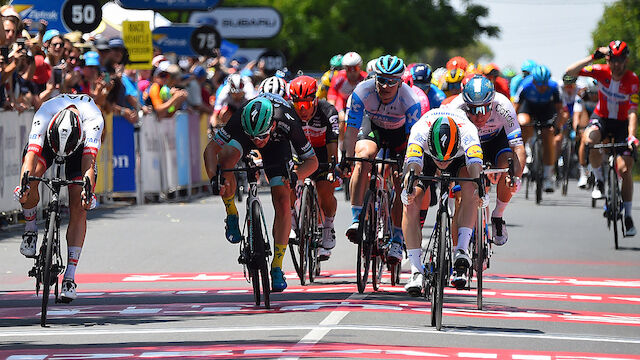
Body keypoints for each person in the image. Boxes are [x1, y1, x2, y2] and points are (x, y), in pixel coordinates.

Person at [203, 94, 318, 291]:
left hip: (278, 146)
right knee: (226, 160)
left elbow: (312, 162)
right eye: (253, 137)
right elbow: (210, 150)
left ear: (272, 125)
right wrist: (215, 179)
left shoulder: (287, 120)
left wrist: (295, 175)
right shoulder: (241, 117)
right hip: (243, 137)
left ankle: (277, 266)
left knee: (282, 199)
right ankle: (231, 213)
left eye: (261, 136)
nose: (257, 142)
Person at [15, 93, 104, 301]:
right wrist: (24, 186)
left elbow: (89, 163)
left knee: (79, 205)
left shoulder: (93, 121)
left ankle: (70, 277)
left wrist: (87, 192)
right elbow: (30, 158)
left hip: (79, 151)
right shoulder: (44, 114)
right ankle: (30, 230)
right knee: (31, 180)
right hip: (48, 142)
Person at [343, 54, 422, 263]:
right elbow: (351, 130)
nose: (385, 86)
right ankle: (357, 217)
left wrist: (409, 169)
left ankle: (397, 238)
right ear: (374, 78)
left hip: (399, 136)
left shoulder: (410, 100)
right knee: (363, 158)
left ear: (401, 82)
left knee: (400, 183)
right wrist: (346, 158)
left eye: (392, 82)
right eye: (381, 80)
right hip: (373, 127)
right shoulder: (362, 91)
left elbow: (413, 141)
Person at [401, 108, 485, 294]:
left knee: (471, 188)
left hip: (460, 158)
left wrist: (480, 191)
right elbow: (412, 168)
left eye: (445, 160)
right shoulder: (420, 131)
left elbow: (476, 169)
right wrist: (408, 189)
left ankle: (461, 250)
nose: (443, 164)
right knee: (411, 199)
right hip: (427, 158)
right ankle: (416, 271)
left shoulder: (468, 132)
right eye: (441, 160)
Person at [565, 40, 639, 235]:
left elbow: (632, 111)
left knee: (625, 169)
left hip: (622, 123)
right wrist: (592, 57)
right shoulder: (600, 71)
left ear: (626, 60)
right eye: (613, 60)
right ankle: (598, 180)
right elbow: (569, 73)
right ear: (608, 59)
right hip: (603, 118)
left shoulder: (632, 80)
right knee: (590, 140)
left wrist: (632, 136)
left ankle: (629, 217)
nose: (617, 64)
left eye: (621, 60)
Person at [445, 75, 525, 245]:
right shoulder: (455, 107)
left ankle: (498, 216)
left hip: (495, 141)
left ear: (492, 103)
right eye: (473, 110)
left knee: (507, 164)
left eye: (484, 109)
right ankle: (458, 252)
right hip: (466, 144)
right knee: (461, 199)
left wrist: (516, 176)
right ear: (465, 104)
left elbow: (518, 147)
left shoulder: (503, 105)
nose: (479, 116)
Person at [289, 75, 340, 260]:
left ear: (315, 99)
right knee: (287, 181)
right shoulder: (288, 112)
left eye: (307, 103)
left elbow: (332, 146)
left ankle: (328, 224)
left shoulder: (328, 112)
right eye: (298, 103)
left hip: (322, 154)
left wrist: (332, 167)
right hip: (299, 154)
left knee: (325, 190)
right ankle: (293, 218)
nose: (302, 109)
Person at [513, 65, 562, 192]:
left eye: (544, 84)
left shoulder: (554, 87)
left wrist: (556, 126)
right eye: (539, 84)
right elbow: (515, 107)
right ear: (533, 81)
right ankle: (523, 157)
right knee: (523, 124)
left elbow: (560, 109)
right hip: (529, 107)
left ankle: (548, 176)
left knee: (548, 135)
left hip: (546, 109)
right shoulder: (525, 85)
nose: (542, 87)